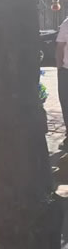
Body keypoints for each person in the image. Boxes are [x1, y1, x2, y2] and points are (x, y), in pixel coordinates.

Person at [57, 18, 68, 150]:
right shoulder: (67, 23)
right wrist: (60, 68)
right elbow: (60, 47)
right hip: (66, 70)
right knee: (66, 103)